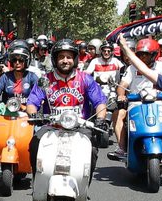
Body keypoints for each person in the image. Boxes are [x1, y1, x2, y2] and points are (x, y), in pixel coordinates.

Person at [24, 38, 109, 176]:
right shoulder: (45, 80)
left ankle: (85, 185)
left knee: (92, 150)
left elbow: (99, 101)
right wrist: (34, 115)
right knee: (35, 144)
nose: (65, 61)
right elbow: (32, 102)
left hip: (80, 127)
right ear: (54, 60)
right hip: (51, 126)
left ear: (75, 60)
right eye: (61, 57)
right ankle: (37, 180)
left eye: (69, 57)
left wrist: (100, 118)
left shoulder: (85, 79)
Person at [108, 38, 162, 161]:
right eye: (140, 54)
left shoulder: (161, 66)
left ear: (154, 55)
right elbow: (123, 85)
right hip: (136, 104)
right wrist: (121, 95)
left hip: (159, 102)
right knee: (119, 114)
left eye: (146, 54)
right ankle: (122, 148)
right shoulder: (132, 68)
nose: (142, 57)